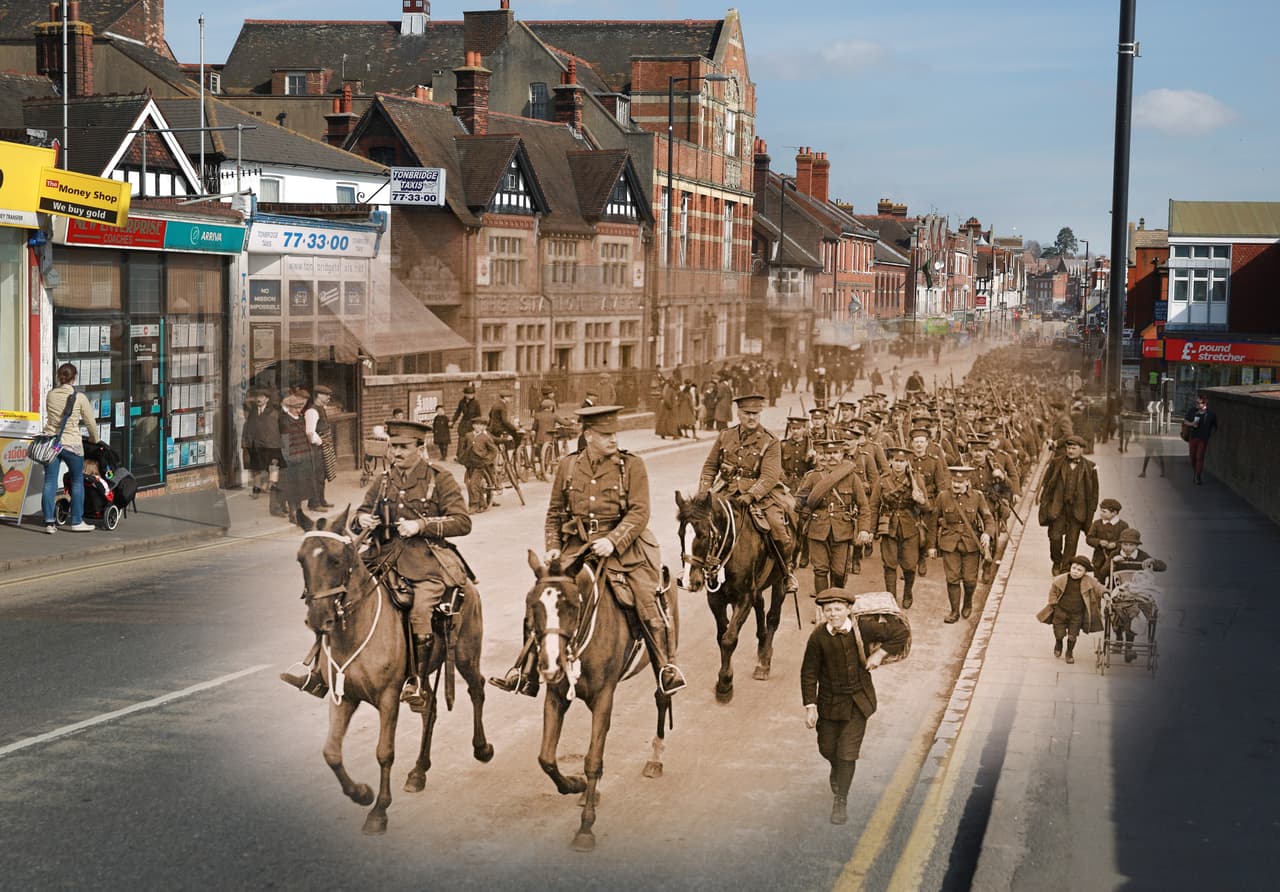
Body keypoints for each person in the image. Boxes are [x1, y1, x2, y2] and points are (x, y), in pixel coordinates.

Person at [491, 405, 686, 696]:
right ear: (589, 435)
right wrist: (554, 548)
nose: (613, 440)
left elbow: (639, 512)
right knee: (542, 594)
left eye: (615, 433)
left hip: (625, 549)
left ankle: (665, 666)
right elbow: (555, 513)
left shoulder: (631, 465)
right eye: (606, 435)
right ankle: (526, 670)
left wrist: (613, 541)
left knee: (647, 594)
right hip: (576, 548)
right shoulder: (568, 466)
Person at [281, 420, 473, 709]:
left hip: (425, 560)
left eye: (403, 447)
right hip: (381, 555)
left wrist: (421, 525)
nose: (396, 452)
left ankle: (416, 682)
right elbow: (363, 509)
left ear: (420, 448)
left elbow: (462, 522)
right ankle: (319, 672)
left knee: (420, 610)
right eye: (393, 446)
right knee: (337, 597)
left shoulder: (439, 478)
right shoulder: (383, 479)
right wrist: (362, 520)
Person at [801, 589, 909, 825]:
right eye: (828, 610)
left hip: (857, 702)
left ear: (849, 610)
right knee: (827, 748)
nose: (833, 614)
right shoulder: (818, 636)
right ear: (823, 612)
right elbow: (809, 672)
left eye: (838, 609)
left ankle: (841, 799)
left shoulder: (864, 628)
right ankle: (836, 768)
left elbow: (901, 632)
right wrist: (811, 706)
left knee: (847, 753)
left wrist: (879, 654)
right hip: (829, 703)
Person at [699, 393, 799, 600]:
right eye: (746, 413)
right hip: (726, 491)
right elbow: (710, 466)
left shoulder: (770, 441)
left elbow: (770, 476)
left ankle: (786, 572)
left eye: (755, 413)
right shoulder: (725, 436)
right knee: (698, 524)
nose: (751, 418)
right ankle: (698, 570)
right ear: (739, 413)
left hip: (761, 494)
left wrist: (752, 495)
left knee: (779, 529)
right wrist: (704, 492)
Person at [796, 440, 872, 606]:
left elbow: (864, 506)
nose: (831, 457)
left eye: (835, 453)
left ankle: (837, 604)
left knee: (839, 571)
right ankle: (824, 607)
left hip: (842, 531)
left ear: (842, 454)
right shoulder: (814, 476)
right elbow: (799, 501)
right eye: (828, 453)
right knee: (820, 570)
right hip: (817, 529)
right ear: (823, 455)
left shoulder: (851, 477)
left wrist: (864, 529)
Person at [40, 362, 100, 533]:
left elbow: (52, 418)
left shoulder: (50, 395)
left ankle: (49, 523)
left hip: (53, 443)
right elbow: (90, 422)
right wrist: (95, 439)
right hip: (72, 444)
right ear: (74, 378)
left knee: (50, 481)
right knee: (76, 481)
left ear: (60, 377)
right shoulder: (79, 397)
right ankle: (76, 521)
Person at [931, 465, 994, 623]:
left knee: (970, 580)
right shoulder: (943, 497)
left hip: (971, 543)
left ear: (967, 482)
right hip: (949, 542)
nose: (956, 485)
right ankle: (954, 612)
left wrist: (987, 533)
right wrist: (931, 546)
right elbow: (933, 523)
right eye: (954, 481)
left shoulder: (977, 497)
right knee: (952, 578)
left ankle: (967, 602)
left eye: (960, 482)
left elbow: (988, 518)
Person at [876, 447, 931, 609]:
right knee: (889, 564)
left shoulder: (916, 480)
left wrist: (920, 500)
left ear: (907, 463)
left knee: (909, 564)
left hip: (909, 526)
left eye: (902, 461)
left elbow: (927, 508)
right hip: (889, 526)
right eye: (896, 461)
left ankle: (908, 592)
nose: (898, 465)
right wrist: (870, 530)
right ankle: (891, 599)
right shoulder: (883, 480)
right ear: (890, 462)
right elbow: (874, 505)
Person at [1037, 435, 1099, 575]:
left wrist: (1091, 511)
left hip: (1077, 511)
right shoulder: (1056, 462)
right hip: (1058, 509)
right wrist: (1044, 504)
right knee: (1055, 538)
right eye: (1068, 448)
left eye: (1073, 448)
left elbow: (1094, 493)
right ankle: (1056, 561)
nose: (1070, 451)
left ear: (1081, 449)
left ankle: (1065, 568)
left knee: (1071, 542)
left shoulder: (1090, 467)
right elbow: (1047, 484)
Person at [1039, 556, 1105, 664]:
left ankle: (1069, 652)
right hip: (1060, 611)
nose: (1075, 572)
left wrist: (1105, 593)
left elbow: (1098, 587)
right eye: (1074, 568)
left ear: (1085, 572)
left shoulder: (1088, 581)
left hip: (1077, 614)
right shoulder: (1061, 579)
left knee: (1073, 635)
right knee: (1059, 632)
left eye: (1079, 570)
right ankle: (1058, 642)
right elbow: (1053, 591)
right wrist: (1053, 602)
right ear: (1070, 568)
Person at [278, 392, 314, 524]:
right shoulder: (284, 421)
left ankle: (298, 512)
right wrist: (287, 459)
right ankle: (293, 514)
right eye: (296, 407)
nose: (299, 410)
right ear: (289, 407)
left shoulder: (301, 419)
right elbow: (285, 442)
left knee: (301, 488)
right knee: (292, 488)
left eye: (300, 407)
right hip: (292, 460)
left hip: (303, 458)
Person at [242, 388, 282, 499]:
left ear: (267, 399)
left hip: (269, 444)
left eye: (262, 397)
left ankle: (271, 486)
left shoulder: (273, 412)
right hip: (256, 444)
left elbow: (275, 430)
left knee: (273, 466)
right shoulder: (253, 411)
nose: (259, 399)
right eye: (257, 397)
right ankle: (256, 490)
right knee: (256, 469)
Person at [460, 417, 500, 513]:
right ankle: (481, 503)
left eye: (480, 425)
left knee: (474, 483)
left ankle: (474, 505)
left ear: (483, 427)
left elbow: (494, 450)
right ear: (473, 426)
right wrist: (462, 457)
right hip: (470, 464)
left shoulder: (485, 437)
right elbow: (463, 447)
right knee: (469, 483)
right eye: (476, 425)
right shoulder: (468, 436)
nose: (478, 427)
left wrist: (487, 459)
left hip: (480, 464)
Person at [1085, 498, 1128, 581]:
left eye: (1104, 511)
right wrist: (1099, 542)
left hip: (1117, 559)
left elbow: (1127, 541)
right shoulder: (1097, 523)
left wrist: (1116, 544)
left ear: (1114, 513)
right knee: (1098, 581)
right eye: (1101, 511)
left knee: (1116, 580)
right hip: (1099, 560)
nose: (1101, 513)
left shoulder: (1123, 525)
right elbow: (1089, 538)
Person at [1183, 392, 1217, 485]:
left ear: (1205, 404)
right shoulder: (1192, 411)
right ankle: (1195, 472)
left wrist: (1210, 433)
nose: (1197, 404)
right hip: (1193, 437)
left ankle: (1198, 476)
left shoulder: (1211, 414)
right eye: (1196, 403)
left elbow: (1214, 426)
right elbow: (1185, 421)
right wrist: (1191, 424)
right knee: (1192, 458)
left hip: (1203, 438)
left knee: (1199, 457)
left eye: (1199, 403)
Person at [310, 385, 335, 509]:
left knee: (323, 473)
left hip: (324, 445)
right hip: (316, 447)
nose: (328, 397)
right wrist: (320, 442)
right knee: (317, 474)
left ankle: (321, 499)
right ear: (319, 396)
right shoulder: (313, 411)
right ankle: (314, 503)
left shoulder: (321, 409)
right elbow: (310, 432)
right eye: (326, 395)